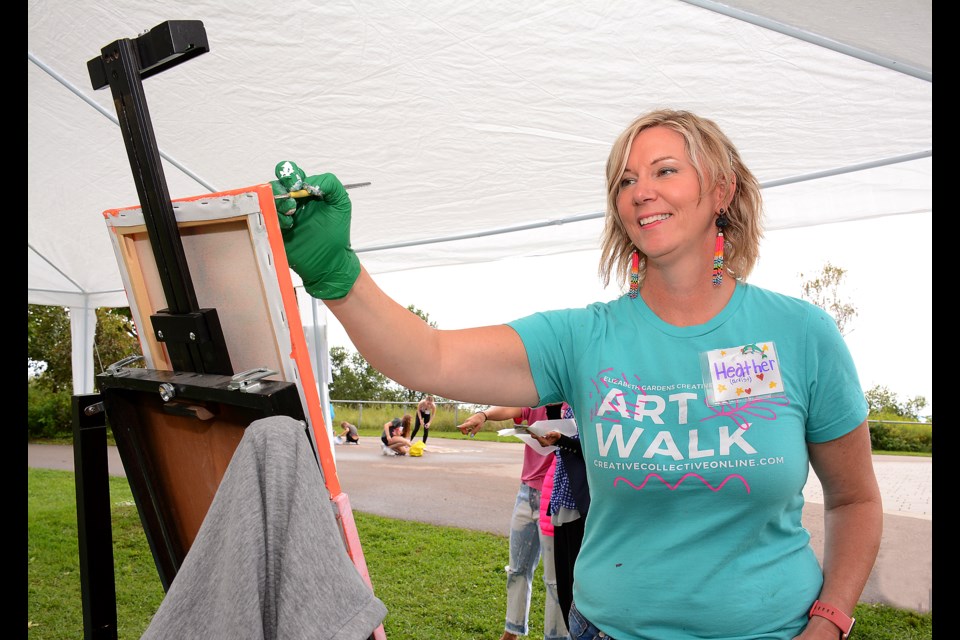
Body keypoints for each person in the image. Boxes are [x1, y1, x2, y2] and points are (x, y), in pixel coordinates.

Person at [269, 108, 882, 639]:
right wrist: (339, 278)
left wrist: (830, 619)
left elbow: (853, 498)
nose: (641, 190)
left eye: (665, 169)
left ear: (721, 191)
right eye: (625, 179)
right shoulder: (583, 338)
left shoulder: (800, 334)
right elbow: (428, 356)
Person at [456, 404, 568, 640]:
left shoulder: (572, 399)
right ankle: (512, 631)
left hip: (556, 496)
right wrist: (482, 415)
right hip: (527, 493)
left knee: (555, 581)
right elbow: (510, 408)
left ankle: (556, 636)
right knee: (517, 569)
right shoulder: (536, 398)